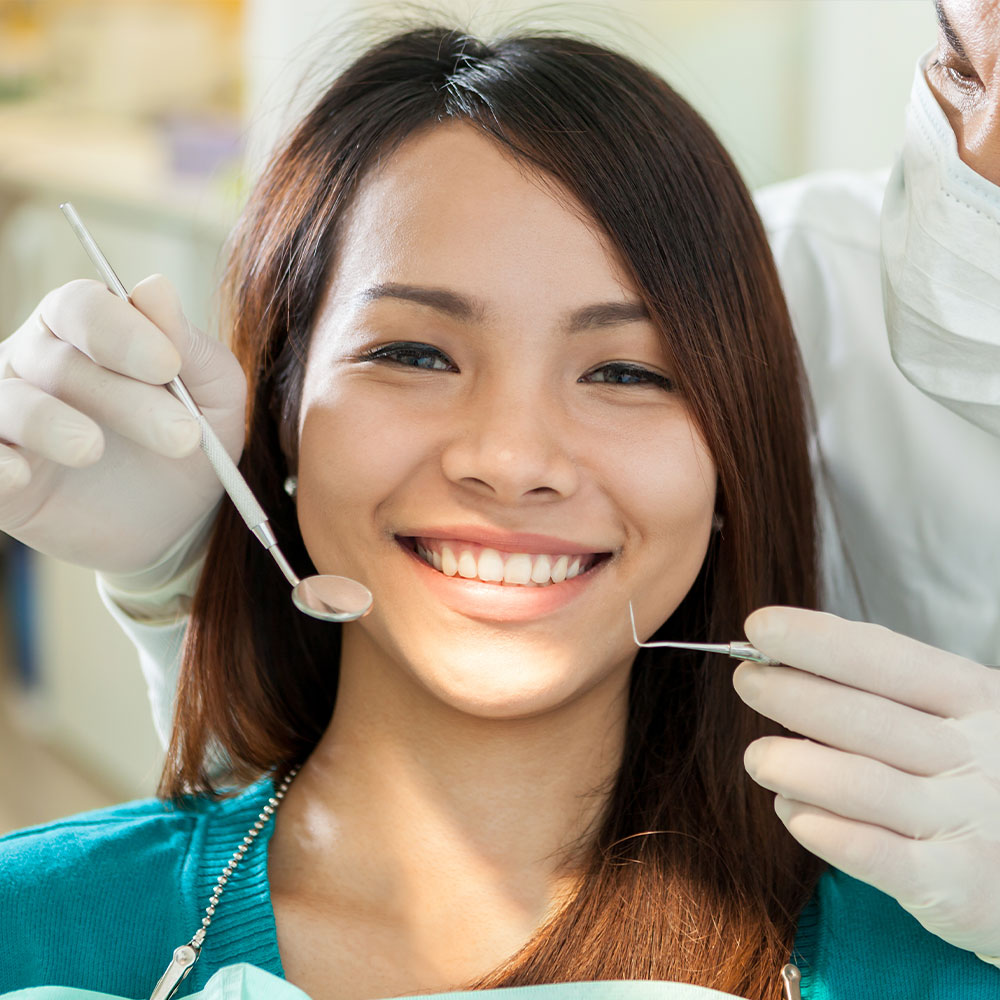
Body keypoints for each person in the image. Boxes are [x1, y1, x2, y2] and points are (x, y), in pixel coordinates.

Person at [3, 22, 998, 1000]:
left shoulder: (923, 965)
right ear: (282, 418)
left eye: (624, 370)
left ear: (734, 465)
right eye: (413, 354)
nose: (512, 460)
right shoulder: (38, 928)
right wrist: (192, 569)